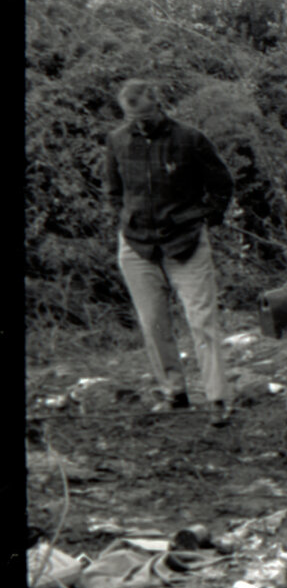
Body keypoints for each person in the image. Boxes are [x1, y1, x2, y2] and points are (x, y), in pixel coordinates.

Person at [103, 79, 236, 426]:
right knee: (152, 323)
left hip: (186, 241)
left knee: (202, 321)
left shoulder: (189, 139)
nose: (140, 123)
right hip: (136, 244)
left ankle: (218, 399)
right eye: (133, 117)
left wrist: (204, 219)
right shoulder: (117, 140)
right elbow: (113, 190)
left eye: (145, 115)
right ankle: (173, 393)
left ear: (157, 104)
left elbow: (222, 184)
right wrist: (124, 218)